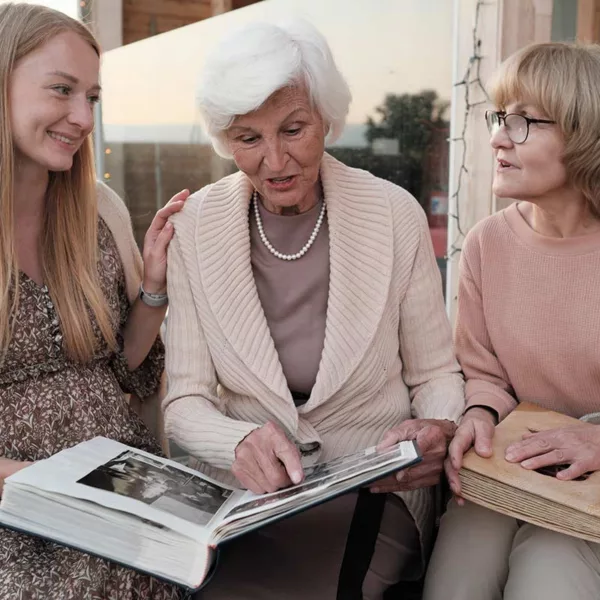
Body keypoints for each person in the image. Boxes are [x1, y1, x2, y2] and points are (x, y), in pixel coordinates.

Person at [163, 19, 464, 599]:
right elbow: (184, 401)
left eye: (293, 129)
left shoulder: (393, 214)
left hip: (374, 493)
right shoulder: (196, 226)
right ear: (225, 140)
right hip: (248, 503)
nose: (275, 160)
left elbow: (435, 374)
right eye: (248, 139)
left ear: (326, 117)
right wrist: (237, 444)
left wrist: (439, 428)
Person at [0, 4, 188, 599]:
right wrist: (41, 484)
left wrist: (153, 286)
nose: (83, 118)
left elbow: (122, 371)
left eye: (93, 97)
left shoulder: (96, 209)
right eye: (62, 90)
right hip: (22, 511)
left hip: (119, 485)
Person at [423, 42, 600, 600]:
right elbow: (484, 372)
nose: (498, 136)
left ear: (583, 134)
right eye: (500, 116)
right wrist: (477, 411)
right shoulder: (486, 245)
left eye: (524, 121)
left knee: (548, 577)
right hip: (510, 468)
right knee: (456, 580)